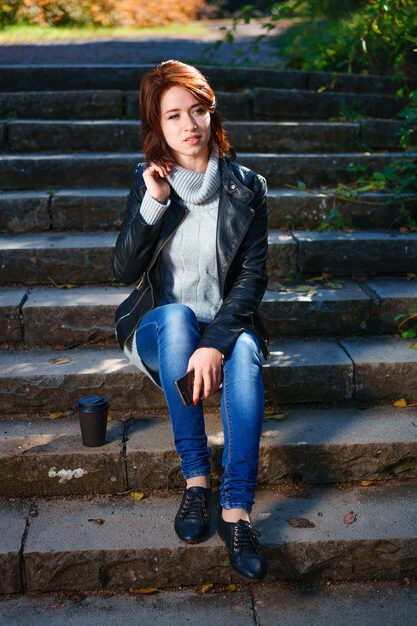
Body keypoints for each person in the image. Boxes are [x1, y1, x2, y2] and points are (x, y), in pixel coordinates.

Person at [112, 59, 270, 581]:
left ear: (211, 112)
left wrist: (217, 343)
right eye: (174, 115)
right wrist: (153, 205)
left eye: (197, 110)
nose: (189, 125)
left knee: (244, 349)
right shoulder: (150, 182)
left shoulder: (248, 188)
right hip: (162, 327)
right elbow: (123, 270)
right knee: (179, 317)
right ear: (157, 126)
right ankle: (197, 479)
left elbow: (251, 281)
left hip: (220, 325)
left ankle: (237, 510)